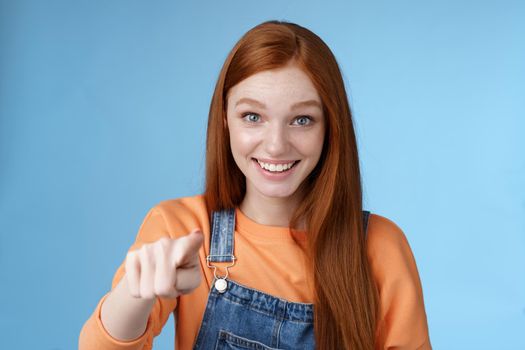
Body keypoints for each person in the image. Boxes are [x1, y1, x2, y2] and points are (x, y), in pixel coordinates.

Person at [79, 20, 431, 350]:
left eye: (302, 119)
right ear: (225, 120)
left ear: (329, 128)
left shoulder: (380, 247)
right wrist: (135, 294)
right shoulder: (181, 230)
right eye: (253, 117)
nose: (276, 145)